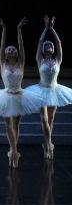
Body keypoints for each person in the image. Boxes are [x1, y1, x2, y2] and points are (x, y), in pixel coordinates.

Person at [0, 17, 44, 168]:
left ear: (16, 54)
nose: (11, 50)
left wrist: (18, 29)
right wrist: (4, 28)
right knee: (8, 125)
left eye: (13, 49)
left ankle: (12, 151)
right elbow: (2, 44)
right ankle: (15, 152)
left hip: (19, 95)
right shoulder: (2, 63)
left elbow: (22, 45)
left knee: (16, 125)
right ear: (5, 54)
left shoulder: (21, 63)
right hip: (5, 96)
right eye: (9, 49)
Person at [25, 16, 72, 159]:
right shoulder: (40, 59)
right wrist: (46, 28)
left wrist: (52, 28)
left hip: (55, 90)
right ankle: (49, 144)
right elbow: (40, 41)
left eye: (50, 45)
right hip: (41, 90)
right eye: (46, 45)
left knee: (50, 120)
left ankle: (46, 144)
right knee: (44, 118)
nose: (49, 46)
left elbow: (58, 42)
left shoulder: (58, 59)